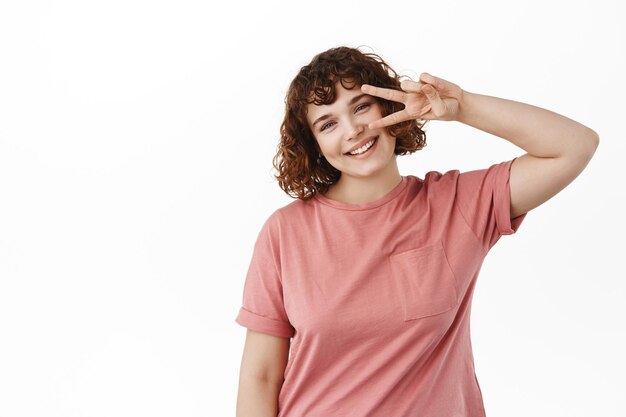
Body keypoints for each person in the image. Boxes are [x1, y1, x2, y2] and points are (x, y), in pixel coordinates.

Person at [234, 46, 599, 416]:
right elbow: (260, 376)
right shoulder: (284, 233)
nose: (353, 129)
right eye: (328, 124)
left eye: (361, 106)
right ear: (315, 146)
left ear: (390, 107)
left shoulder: (457, 206)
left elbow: (574, 146)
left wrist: (464, 106)